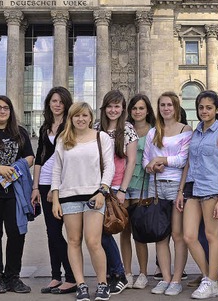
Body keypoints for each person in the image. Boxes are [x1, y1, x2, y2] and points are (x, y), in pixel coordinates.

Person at [51, 101, 116, 301]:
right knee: (73, 241)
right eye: (77, 116)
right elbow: (57, 170)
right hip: (69, 196)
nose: (81, 119)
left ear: (91, 118)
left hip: (94, 196)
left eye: (85, 116)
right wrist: (55, 199)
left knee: (93, 241)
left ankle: (103, 284)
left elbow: (109, 167)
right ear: (71, 118)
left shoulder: (101, 137)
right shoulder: (63, 139)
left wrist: (102, 192)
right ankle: (81, 285)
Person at [178, 90, 218, 299]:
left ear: (217, 110)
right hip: (193, 188)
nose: (204, 111)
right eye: (201, 107)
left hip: (211, 190)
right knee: (189, 236)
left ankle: (212, 281)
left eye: (209, 107)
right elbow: (188, 163)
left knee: (211, 236)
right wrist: (181, 191)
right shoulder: (196, 132)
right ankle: (209, 278)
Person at [0, 96, 34, 294]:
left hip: (15, 193)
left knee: (16, 233)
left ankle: (13, 276)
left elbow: (29, 157)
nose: (2, 111)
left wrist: (12, 170)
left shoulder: (20, 132)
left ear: (11, 111)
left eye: (6, 108)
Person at [143, 91, 192, 296]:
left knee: (177, 235)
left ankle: (177, 279)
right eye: (162, 105)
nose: (166, 108)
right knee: (160, 236)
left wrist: (162, 160)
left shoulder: (185, 130)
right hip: (155, 186)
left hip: (176, 186)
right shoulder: (153, 132)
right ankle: (165, 277)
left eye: (170, 105)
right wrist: (152, 166)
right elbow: (146, 160)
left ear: (176, 107)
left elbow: (184, 160)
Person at [30, 87, 76, 295]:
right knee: (52, 232)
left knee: (66, 233)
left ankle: (72, 277)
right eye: (53, 101)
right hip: (45, 183)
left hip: (64, 184)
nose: (56, 105)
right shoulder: (45, 127)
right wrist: (35, 186)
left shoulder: (71, 126)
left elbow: (70, 158)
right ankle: (56, 276)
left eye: (60, 101)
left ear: (66, 104)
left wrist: (55, 189)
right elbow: (39, 157)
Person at [94, 90, 139, 294]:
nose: (113, 110)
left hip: (115, 187)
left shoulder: (128, 129)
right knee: (96, 232)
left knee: (105, 230)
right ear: (105, 108)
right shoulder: (95, 128)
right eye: (110, 106)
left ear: (122, 109)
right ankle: (113, 274)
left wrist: (122, 189)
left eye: (117, 106)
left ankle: (119, 273)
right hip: (96, 186)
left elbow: (131, 162)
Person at [123, 94, 156, 289]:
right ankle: (127, 273)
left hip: (142, 186)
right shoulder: (125, 129)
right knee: (124, 231)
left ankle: (143, 273)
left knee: (139, 232)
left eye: (141, 108)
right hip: (123, 185)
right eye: (134, 108)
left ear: (147, 110)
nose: (137, 112)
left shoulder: (154, 131)